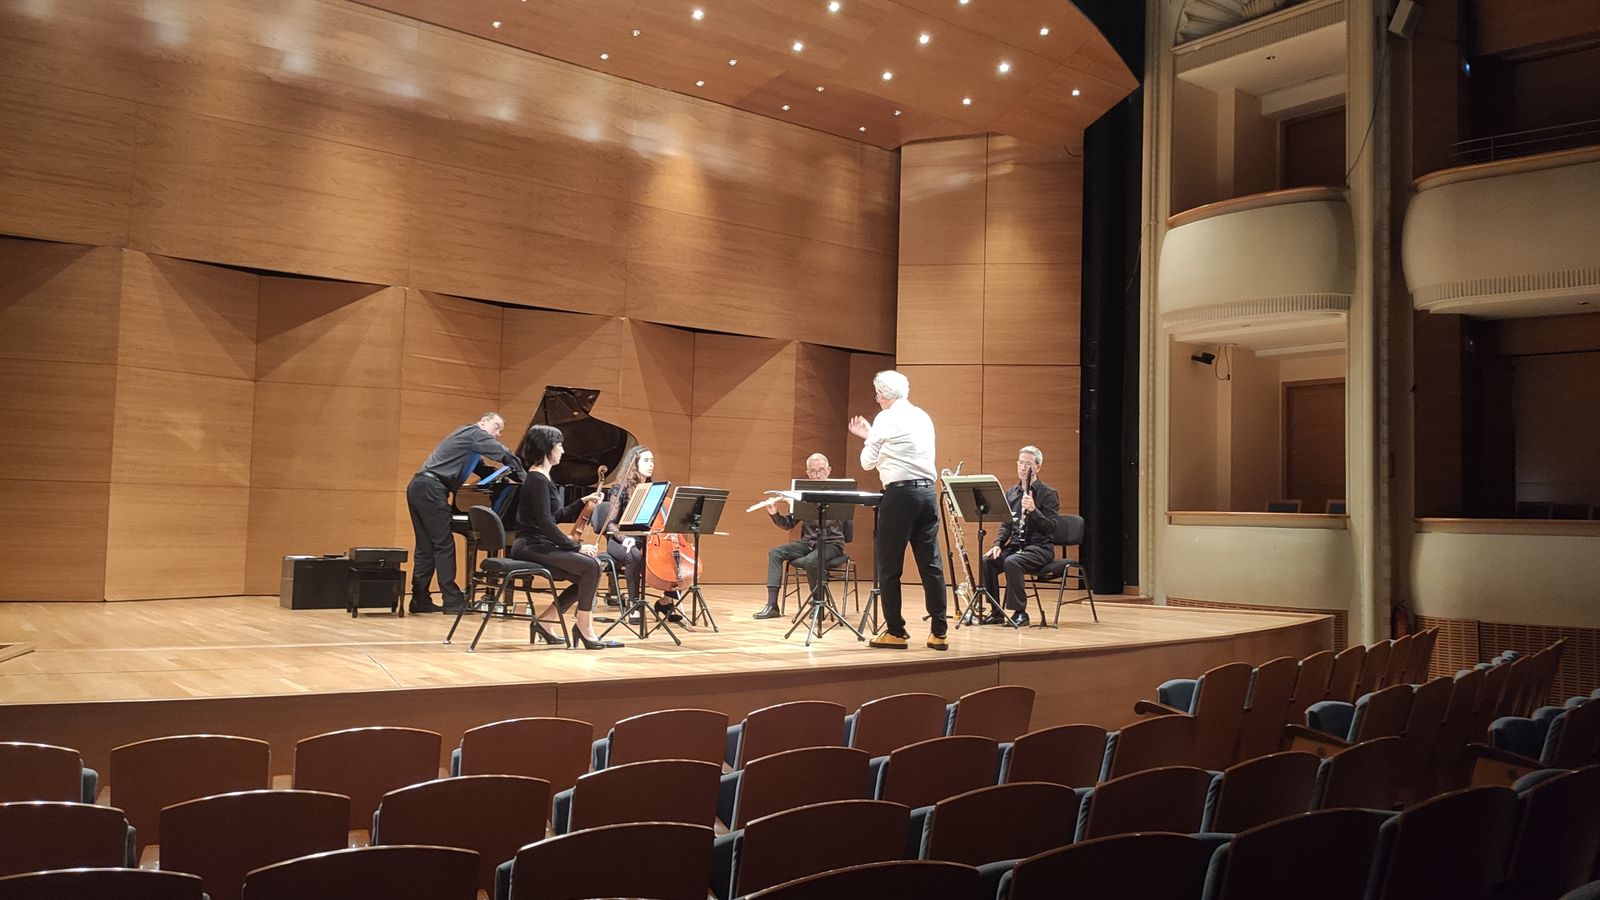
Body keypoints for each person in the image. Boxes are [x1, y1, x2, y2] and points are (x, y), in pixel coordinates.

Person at [848, 370, 948, 651]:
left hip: (900, 495)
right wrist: (877, 440)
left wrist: (869, 438)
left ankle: (896, 631)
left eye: (877, 395)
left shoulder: (885, 418)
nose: (877, 399)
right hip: (927, 492)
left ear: (882, 395)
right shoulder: (922, 415)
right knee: (931, 565)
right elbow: (902, 448)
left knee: (889, 566)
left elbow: (868, 462)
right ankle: (939, 632)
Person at [509, 425, 621, 649]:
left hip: (537, 543)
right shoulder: (537, 479)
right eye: (559, 444)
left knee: (585, 576)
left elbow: (556, 515)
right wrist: (575, 547)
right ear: (546, 447)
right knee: (592, 566)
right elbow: (545, 523)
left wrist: (582, 501)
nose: (562, 449)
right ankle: (584, 627)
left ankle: (546, 621)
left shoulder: (542, 478)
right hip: (530, 545)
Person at [407, 412, 525, 614]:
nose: (497, 434)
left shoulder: (470, 445)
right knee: (443, 545)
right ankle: (452, 600)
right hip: (431, 488)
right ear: (483, 421)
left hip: (420, 486)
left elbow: (484, 471)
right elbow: (500, 451)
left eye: (500, 431)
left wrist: (506, 476)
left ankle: (419, 599)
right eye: (496, 427)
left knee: (426, 546)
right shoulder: (473, 432)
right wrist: (524, 474)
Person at [749, 453, 854, 620]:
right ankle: (772, 605)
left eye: (821, 470)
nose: (817, 474)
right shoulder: (802, 495)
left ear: (828, 471)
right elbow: (788, 524)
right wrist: (774, 513)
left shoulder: (840, 495)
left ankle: (818, 603)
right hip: (808, 543)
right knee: (775, 552)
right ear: (807, 473)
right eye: (813, 471)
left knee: (811, 560)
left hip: (832, 544)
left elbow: (848, 532)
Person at [599, 445, 681, 622]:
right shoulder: (619, 489)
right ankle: (634, 604)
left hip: (647, 539)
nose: (651, 464)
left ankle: (666, 601)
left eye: (652, 460)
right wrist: (625, 538)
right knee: (634, 555)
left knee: (673, 555)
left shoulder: (655, 490)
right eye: (646, 460)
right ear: (634, 463)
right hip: (620, 540)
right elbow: (610, 525)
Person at [980, 445, 1059, 627]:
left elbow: (1052, 527)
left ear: (1037, 467)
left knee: (1012, 561)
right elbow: (1007, 523)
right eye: (1020, 463)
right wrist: (998, 543)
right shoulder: (1012, 493)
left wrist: (1034, 510)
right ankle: (996, 612)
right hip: (1017, 546)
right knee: (988, 560)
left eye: (1028, 464)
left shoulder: (1048, 494)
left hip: (1040, 548)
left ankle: (1020, 613)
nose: (1023, 468)